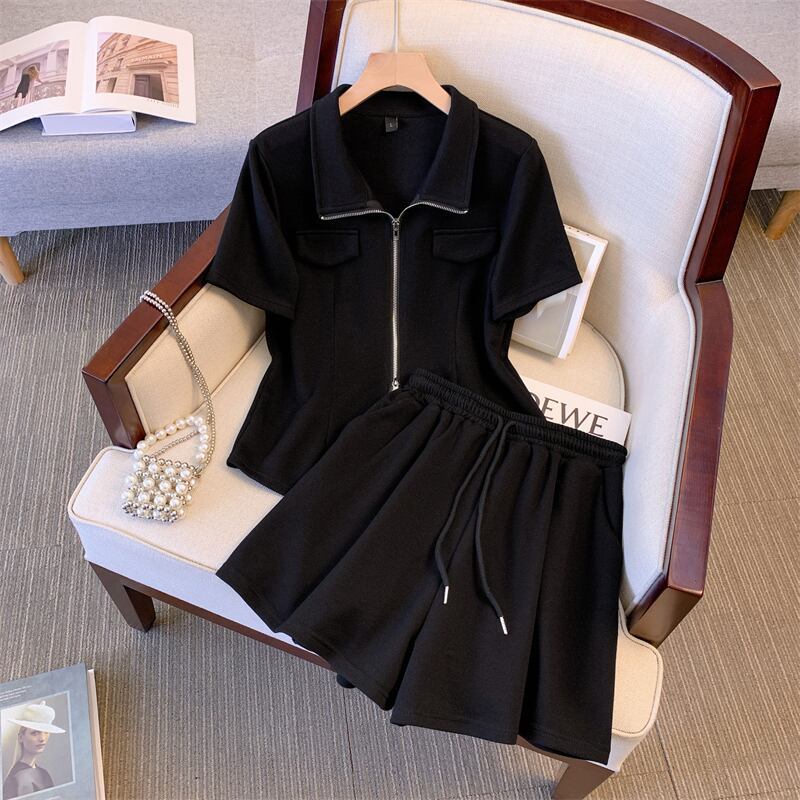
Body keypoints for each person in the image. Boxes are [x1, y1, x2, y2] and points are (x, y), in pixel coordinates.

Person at [2, 700, 65, 799]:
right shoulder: (17, 777)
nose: (42, 739)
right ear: (21, 737)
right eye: (35, 733)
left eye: (46, 732)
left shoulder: (44, 773)